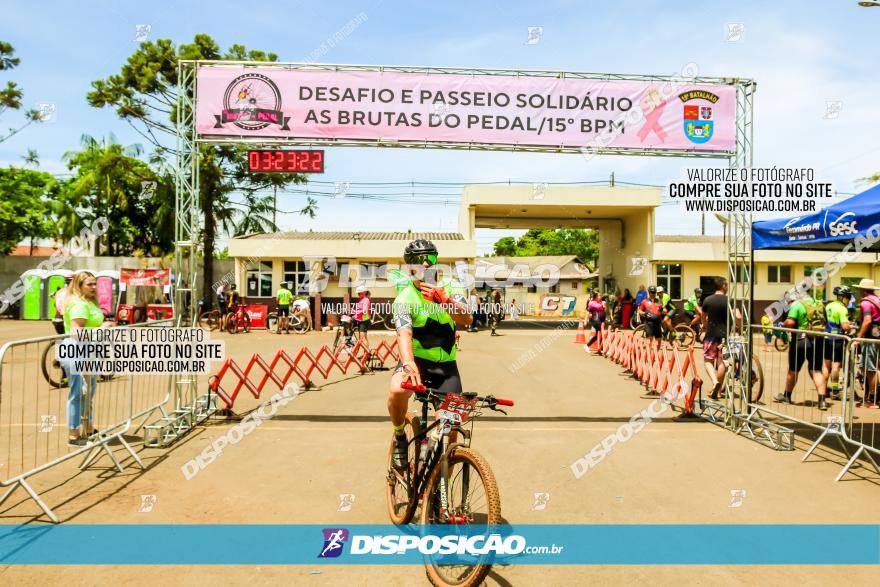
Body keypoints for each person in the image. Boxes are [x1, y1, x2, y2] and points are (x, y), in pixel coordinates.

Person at [388, 239, 471, 470]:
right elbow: (403, 333)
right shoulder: (405, 297)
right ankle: (399, 437)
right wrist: (408, 363)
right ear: (409, 267)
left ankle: (440, 481)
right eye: (417, 260)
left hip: (446, 366)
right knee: (397, 390)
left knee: (452, 427)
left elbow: (467, 318)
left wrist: (446, 301)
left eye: (430, 258)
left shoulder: (452, 286)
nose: (425, 263)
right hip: (417, 362)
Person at [60, 272, 113, 446]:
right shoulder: (79, 305)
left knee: (89, 392)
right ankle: (74, 435)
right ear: (79, 285)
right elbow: (76, 333)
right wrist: (101, 329)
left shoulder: (90, 303)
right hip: (75, 350)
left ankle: (88, 429)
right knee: (78, 393)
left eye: (94, 284)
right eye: (89, 284)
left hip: (88, 351)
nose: (93, 287)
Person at [774, 289, 828, 410]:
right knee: (817, 371)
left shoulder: (797, 304)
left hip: (801, 340)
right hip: (818, 340)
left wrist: (782, 324)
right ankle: (822, 401)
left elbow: (791, 322)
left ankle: (787, 396)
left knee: (793, 370)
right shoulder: (819, 304)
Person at [701, 277, 738, 400]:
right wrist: (736, 325)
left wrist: (705, 326)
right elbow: (738, 316)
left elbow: (703, 316)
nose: (728, 288)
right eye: (727, 285)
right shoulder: (730, 300)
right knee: (722, 363)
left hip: (711, 335)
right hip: (725, 337)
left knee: (708, 361)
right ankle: (717, 392)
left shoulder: (708, 300)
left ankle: (714, 382)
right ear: (723, 286)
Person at [824, 285, 853, 400]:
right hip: (837, 339)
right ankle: (835, 391)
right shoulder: (842, 308)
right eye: (848, 297)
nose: (849, 299)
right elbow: (845, 326)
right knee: (836, 366)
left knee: (826, 365)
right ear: (842, 297)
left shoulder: (828, 305)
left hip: (827, 337)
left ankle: (824, 389)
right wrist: (851, 326)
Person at [855, 279, 880, 408]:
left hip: (871, 336)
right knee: (876, 367)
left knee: (871, 368)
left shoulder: (865, 302)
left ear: (862, 290)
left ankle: (872, 399)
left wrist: (858, 337)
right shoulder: (877, 299)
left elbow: (867, 320)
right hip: (878, 336)